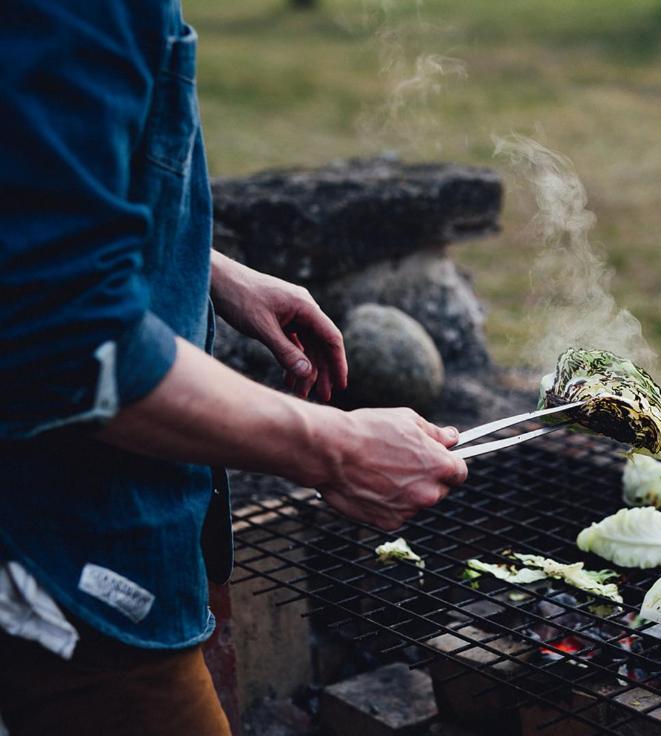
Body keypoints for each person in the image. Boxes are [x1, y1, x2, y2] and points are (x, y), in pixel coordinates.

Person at [0, 2, 468, 734]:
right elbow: (63, 336)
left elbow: (30, 197)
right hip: (66, 562)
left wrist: (203, 266)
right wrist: (336, 450)